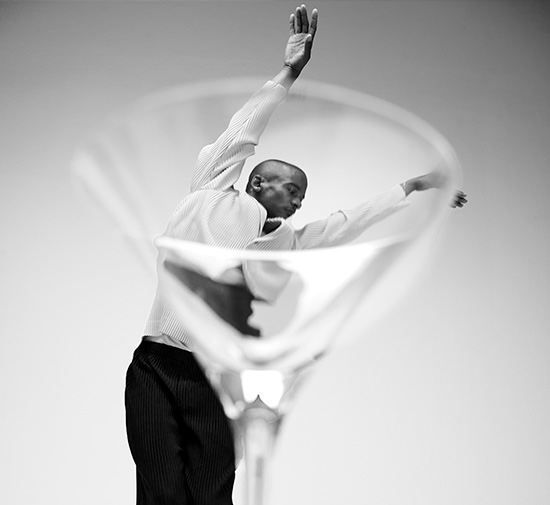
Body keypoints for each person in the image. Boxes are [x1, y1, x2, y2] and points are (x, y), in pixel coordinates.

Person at [125, 5, 467, 505]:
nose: (301, 201)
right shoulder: (212, 193)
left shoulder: (288, 243)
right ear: (258, 182)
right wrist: (288, 73)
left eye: (303, 196)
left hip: (221, 377)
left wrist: (413, 187)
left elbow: (349, 224)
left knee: (212, 490)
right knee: (160, 491)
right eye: (294, 189)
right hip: (157, 367)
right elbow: (240, 133)